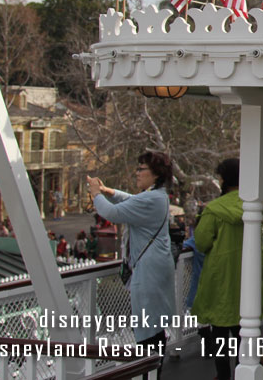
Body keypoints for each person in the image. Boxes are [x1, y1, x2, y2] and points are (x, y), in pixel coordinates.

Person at [88, 153, 176, 370]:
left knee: (147, 325)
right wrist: (110, 192)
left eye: (141, 169)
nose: (137, 173)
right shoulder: (157, 196)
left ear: (156, 174)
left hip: (149, 269)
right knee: (154, 324)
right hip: (157, 264)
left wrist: (96, 194)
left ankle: (149, 370)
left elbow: (112, 213)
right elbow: (131, 200)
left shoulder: (152, 199)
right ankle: (155, 367)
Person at [192, 158, 263, 380]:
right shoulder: (254, 203)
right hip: (249, 272)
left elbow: (202, 242)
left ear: (224, 179)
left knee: (221, 332)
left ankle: (223, 375)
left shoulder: (214, 209)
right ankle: (246, 369)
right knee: (247, 330)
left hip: (222, 275)